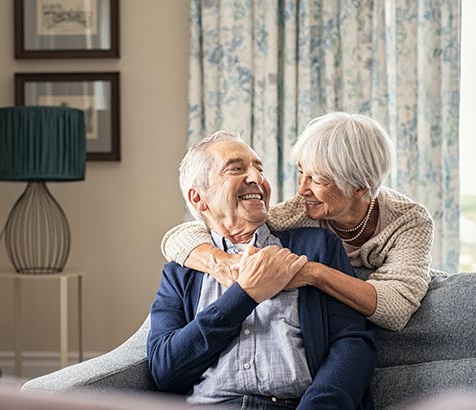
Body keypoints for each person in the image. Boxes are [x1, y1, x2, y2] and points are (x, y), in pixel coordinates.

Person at [147, 132, 377, 409]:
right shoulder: (181, 272)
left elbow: (353, 343)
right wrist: (245, 295)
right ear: (199, 199)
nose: (256, 178)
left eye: (259, 168)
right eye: (236, 168)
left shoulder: (315, 247)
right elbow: (165, 371)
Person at [161, 112, 434, 331]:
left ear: (360, 187)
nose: (302, 189)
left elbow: (396, 309)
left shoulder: (409, 221)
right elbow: (182, 236)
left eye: (316, 179)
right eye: (302, 173)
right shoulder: (300, 210)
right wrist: (222, 262)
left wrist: (312, 273)